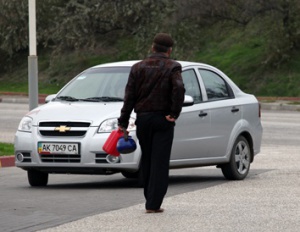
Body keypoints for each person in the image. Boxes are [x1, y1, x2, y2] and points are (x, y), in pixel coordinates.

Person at [118, 33, 185, 213]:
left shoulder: (137, 68)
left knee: (147, 158)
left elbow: (129, 97)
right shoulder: (173, 67)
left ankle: (149, 198)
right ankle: (153, 204)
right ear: (169, 50)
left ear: (152, 47)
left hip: (143, 119)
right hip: (163, 119)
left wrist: (123, 121)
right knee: (160, 161)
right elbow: (178, 88)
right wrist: (174, 113)